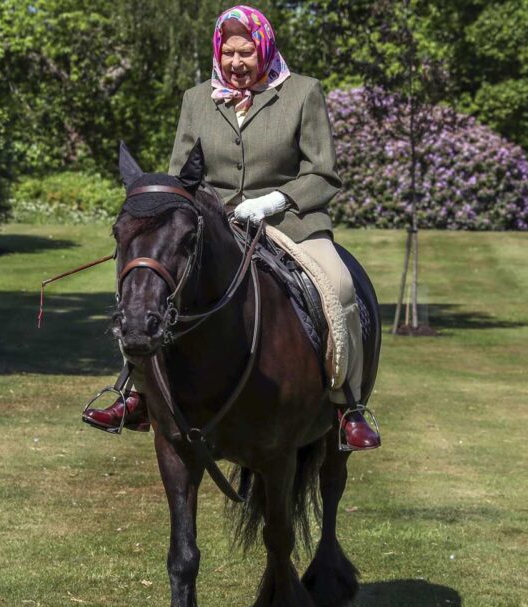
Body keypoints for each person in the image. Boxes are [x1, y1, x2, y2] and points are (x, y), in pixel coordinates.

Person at [84, 5, 379, 450]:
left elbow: (323, 173)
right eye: (229, 53)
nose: (237, 63)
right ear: (218, 53)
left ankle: (347, 405)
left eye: (246, 53)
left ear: (264, 48)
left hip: (291, 221)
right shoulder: (195, 99)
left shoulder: (302, 93)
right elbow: (182, 176)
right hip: (214, 224)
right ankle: (137, 393)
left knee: (339, 286)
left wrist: (274, 201)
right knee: (149, 286)